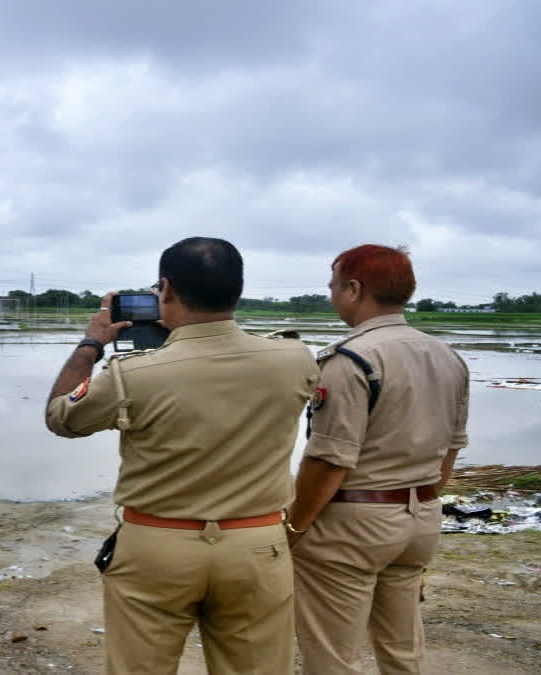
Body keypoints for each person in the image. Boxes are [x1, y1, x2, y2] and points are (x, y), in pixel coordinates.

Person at [45, 237, 320, 675]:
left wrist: (92, 343)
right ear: (237, 289)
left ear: (166, 289)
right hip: (255, 544)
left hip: (156, 546)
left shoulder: (133, 373)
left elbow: (62, 418)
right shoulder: (294, 358)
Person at [287, 244, 469, 674]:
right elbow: (451, 451)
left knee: (333, 656)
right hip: (420, 516)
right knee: (402, 648)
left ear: (354, 288)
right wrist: (420, 500)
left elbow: (328, 462)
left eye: (333, 287)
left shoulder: (349, 358)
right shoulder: (449, 357)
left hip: (353, 524)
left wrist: (294, 528)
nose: (331, 296)